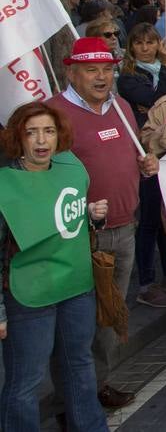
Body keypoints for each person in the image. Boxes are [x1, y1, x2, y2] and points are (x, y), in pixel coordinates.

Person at [45, 37, 157, 410]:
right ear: (72, 72)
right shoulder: (53, 115)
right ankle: (71, 403)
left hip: (124, 227)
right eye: (91, 70)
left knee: (108, 317)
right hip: (80, 235)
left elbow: (133, 154)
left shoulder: (121, 106)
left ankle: (96, 386)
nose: (101, 77)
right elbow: (41, 175)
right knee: (76, 326)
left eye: (107, 69)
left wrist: (146, 165)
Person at [0, 102, 112, 432]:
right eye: (31, 132)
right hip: (28, 296)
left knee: (79, 366)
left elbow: (68, 222)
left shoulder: (69, 168)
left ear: (58, 135)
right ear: (18, 138)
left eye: (48, 131)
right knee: (25, 381)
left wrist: (93, 217)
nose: (41, 140)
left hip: (76, 288)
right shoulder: (7, 185)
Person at [116, 24, 166, 310]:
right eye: (139, 43)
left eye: (150, 42)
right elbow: (159, 102)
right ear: (131, 47)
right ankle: (146, 282)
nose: (145, 48)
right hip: (147, 152)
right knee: (149, 221)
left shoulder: (164, 73)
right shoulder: (129, 77)